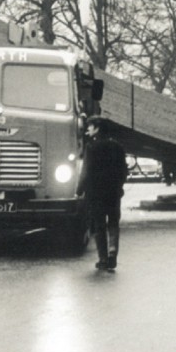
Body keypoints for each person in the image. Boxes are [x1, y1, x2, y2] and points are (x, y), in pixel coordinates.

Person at [77, 115, 129, 271]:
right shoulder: (118, 147)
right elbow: (124, 171)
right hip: (114, 192)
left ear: (97, 128)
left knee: (99, 226)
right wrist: (119, 186)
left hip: (96, 193)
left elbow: (86, 172)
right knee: (113, 224)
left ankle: (103, 259)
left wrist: (79, 190)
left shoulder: (91, 147)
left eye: (90, 126)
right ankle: (113, 252)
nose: (88, 129)